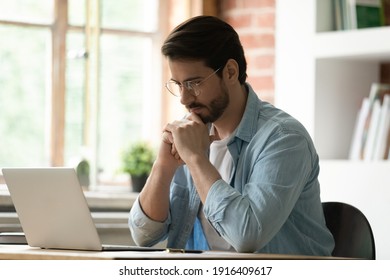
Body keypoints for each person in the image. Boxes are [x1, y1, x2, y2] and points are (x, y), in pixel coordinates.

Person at [129, 15, 335, 255]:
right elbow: (143, 236)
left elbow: (246, 236)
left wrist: (196, 160)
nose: (184, 99)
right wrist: (163, 166)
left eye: (194, 83)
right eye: (179, 85)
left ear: (230, 71)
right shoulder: (191, 133)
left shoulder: (284, 139)